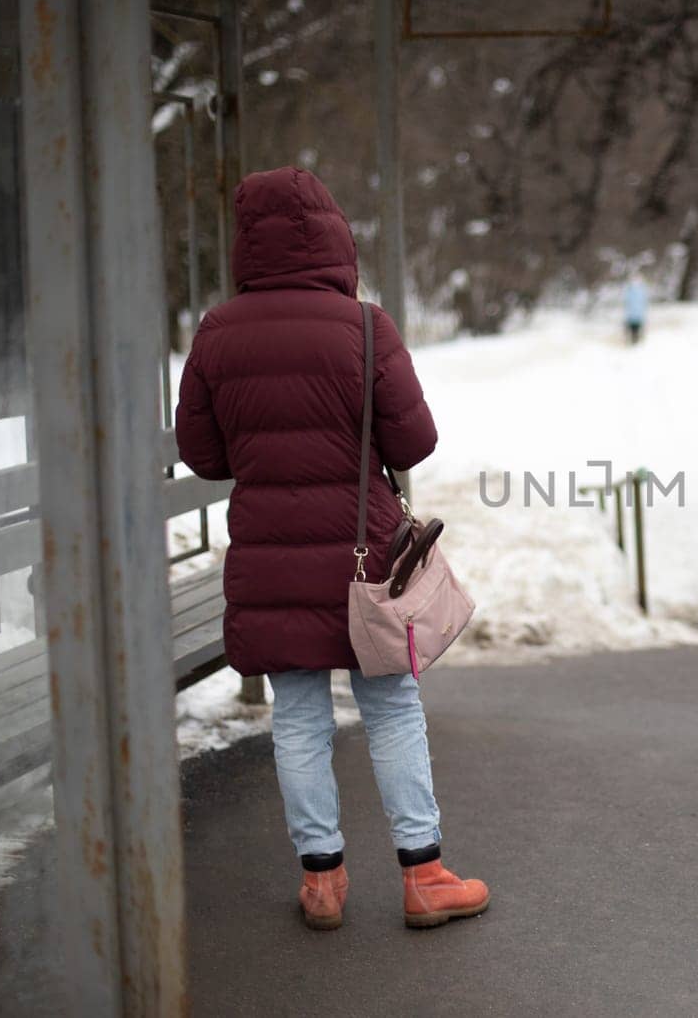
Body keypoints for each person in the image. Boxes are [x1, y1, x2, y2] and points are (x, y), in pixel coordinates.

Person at [175, 167, 488, 932]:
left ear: (246, 246)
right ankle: (424, 875)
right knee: (390, 706)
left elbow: (204, 454)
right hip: (362, 555)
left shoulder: (216, 332)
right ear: (332, 237)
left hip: (271, 555)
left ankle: (322, 880)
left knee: (299, 717)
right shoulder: (366, 327)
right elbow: (415, 439)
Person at [623, 275, 649, 344]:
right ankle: (634, 341)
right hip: (635, 315)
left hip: (635, 315)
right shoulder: (637, 290)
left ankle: (635, 341)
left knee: (635, 329)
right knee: (634, 329)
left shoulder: (632, 290)